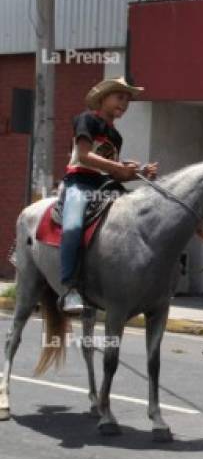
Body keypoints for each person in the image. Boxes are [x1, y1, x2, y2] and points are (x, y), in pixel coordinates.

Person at [58, 77, 158, 315]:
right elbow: (83, 155)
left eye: (128, 100)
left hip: (105, 184)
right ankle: (69, 288)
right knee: (72, 226)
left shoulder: (116, 136)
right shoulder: (87, 120)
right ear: (103, 98)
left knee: (141, 217)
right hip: (80, 182)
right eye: (120, 97)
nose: (124, 103)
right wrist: (117, 167)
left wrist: (139, 172)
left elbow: (114, 171)